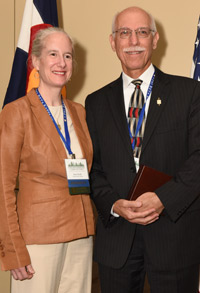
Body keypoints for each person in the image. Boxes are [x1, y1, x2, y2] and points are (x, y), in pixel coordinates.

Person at [85, 6, 200, 293]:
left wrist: (163, 199)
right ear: (113, 42)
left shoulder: (189, 94)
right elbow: (93, 168)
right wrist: (114, 204)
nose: (133, 41)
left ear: (155, 39)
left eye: (142, 32)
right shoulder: (95, 103)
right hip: (116, 242)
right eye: (124, 33)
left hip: (173, 239)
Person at [0, 27, 95, 293]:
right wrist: (12, 250)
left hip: (82, 235)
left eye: (67, 56)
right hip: (37, 240)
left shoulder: (79, 112)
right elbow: (3, 185)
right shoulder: (16, 112)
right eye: (53, 54)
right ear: (36, 61)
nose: (61, 63)